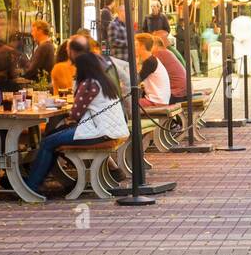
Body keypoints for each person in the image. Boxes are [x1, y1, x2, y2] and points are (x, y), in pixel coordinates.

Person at [25, 51, 130, 194]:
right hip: (112, 129)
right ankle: (39, 181)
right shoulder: (104, 81)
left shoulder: (89, 84)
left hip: (101, 132)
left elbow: (75, 114)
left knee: (47, 142)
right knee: (52, 137)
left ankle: (31, 186)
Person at [135, 33, 174, 108]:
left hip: (156, 102)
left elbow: (135, 81)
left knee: (125, 104)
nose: (133, 48)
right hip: (161, 100)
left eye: (136, 45)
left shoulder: (149, 62)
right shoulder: (151, 59)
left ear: (142, 46)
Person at [151, 30, 189, 102]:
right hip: (185, 91)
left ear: (155, 45)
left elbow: (148, 72)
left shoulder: (159, 53)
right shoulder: (167, 51)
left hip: (177, 94)